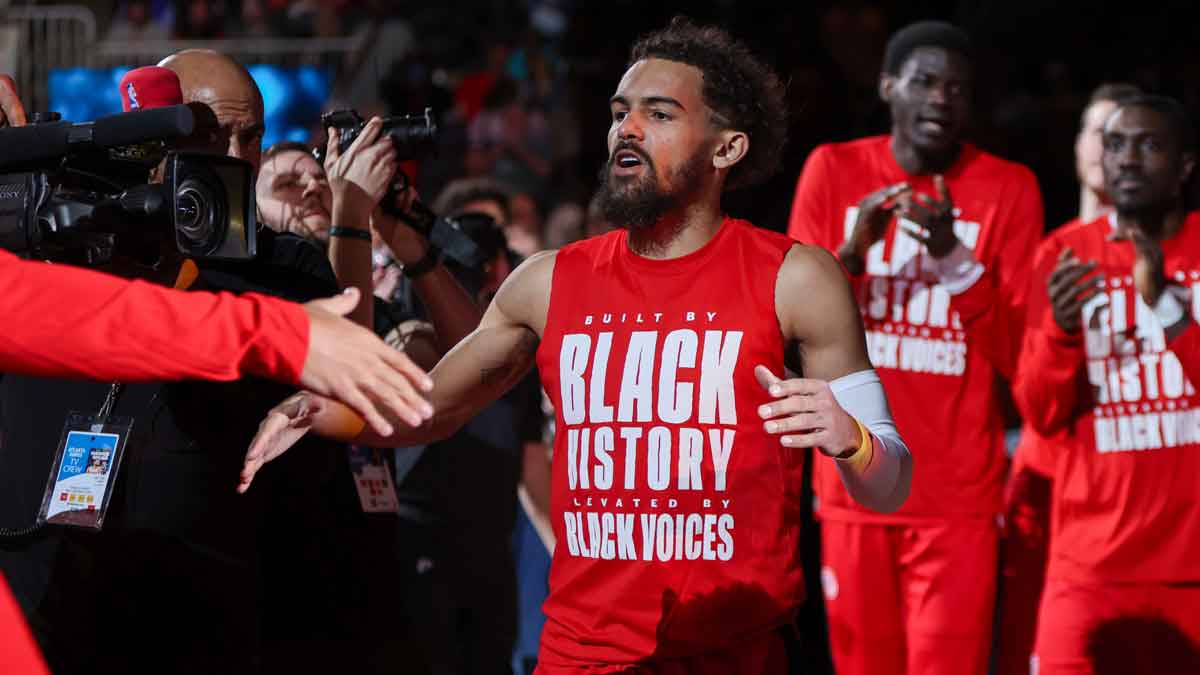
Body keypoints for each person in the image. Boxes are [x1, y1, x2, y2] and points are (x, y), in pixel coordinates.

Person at [241, 17, 912, 673]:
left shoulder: (796, 277)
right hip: (580, 656)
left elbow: (890, 482)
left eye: (659, 113)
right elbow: (419, 411)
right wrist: (313, 404)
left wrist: (851, 437)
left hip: (733, 652)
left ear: (726, 148)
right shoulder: (547, 281)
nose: (627, 128)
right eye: (621, 112)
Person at [787, 21, 1044, 675]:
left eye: (957, 87)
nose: (941, 98)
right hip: (858, 481)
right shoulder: (833, 168)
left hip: (959, 491)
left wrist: (954, 260)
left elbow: (1020, 357)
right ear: (887, 86)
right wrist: (850, 255)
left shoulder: (1009, 188)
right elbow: (788, 329)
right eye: (925, 81)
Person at [1016, 94, 1200, 675]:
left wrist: (1166, 308)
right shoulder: (1065, 253)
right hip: (1089, 564)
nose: (1126, 159)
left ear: (1185, 165)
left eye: (1148, 145)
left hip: (1190, 566)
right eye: (1116, 144)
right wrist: (1062, 333)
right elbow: (1041, 412)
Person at [994, 81, 1140, 675]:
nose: (1110, 147)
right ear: (1077, 144)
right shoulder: (1045, 251)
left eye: (1124, 135)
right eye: (1097, 129)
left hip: (1129, 489)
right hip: (1047, 478)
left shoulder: (1175, 256)